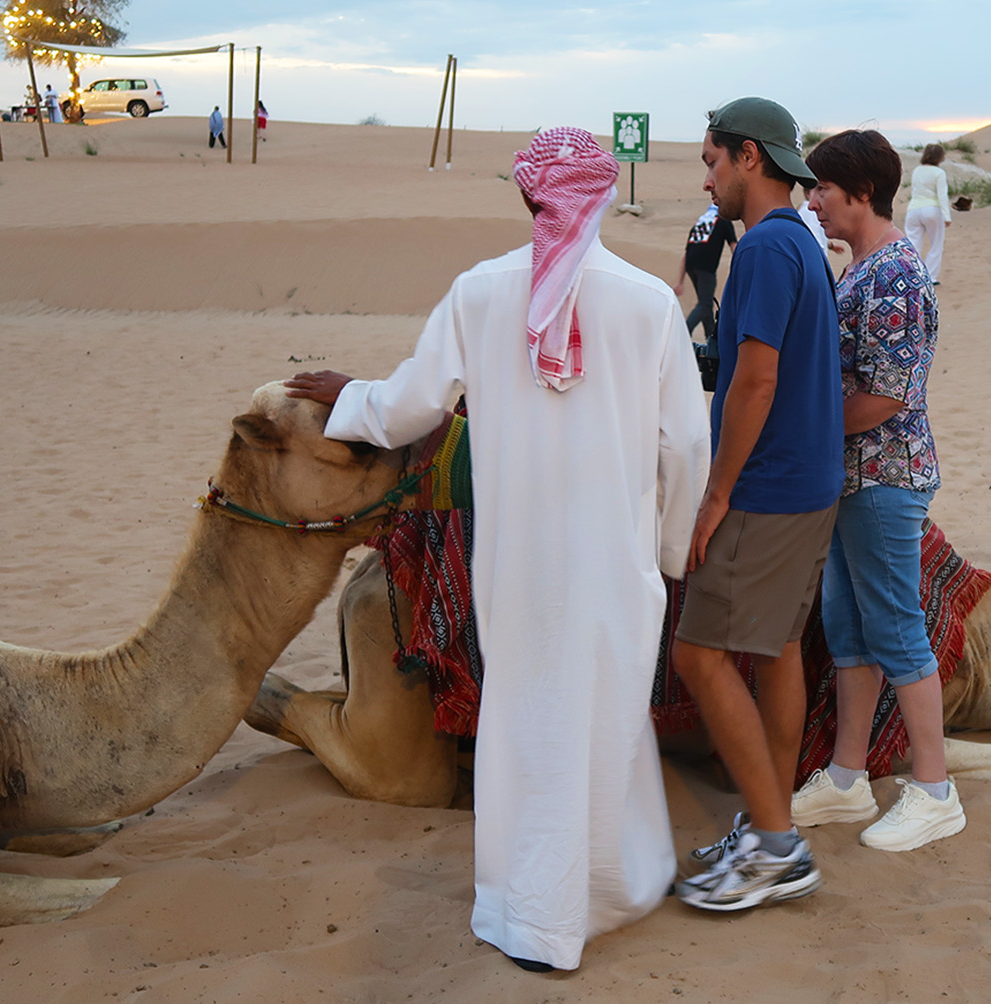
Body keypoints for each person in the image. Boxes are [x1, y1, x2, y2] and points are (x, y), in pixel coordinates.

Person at [284, 127, 709, 972]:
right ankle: (589, 901)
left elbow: (409, 408)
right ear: (601, 195)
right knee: (602, 720)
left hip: (516, 566)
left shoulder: (481, 292)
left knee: (527, 723)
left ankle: (537, 911)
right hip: (613, 567)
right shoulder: (648, 303)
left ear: (527, 197)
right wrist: (666, 552)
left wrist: (348, 398)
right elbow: (687, 447)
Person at [670, 97, 843, 912]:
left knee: (698, 655)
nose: (706, 180)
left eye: (711, 162)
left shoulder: (769, 250)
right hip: (803, 484)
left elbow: (756, 378)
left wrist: (716, 493)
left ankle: (777, 846)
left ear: (748, 157)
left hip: (768, 489)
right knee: (774, 651)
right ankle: (767, 820)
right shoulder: (800, 241)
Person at [793, 129, 965, 852]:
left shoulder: (894, 274)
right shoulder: (864, 267)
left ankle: (934, 790)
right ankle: (847, 777)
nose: (814, 203)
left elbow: (889, 397)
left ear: (861, 192)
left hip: (883, 476)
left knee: (895, 626)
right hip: (853, 478)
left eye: (823, 190)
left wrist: (807, 431)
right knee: (850, 626)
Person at [676, 204, 736, 341]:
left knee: (706, 304)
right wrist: (739, 266)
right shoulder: (724, 221)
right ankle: (683, 332)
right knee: (705, 304)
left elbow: (685, 255)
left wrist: (680, 282)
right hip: (706, 267)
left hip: (691, 266)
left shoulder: (698, 225)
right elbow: (734, 245)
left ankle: (712, 340)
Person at [902, 143, 952, 284]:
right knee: (936, 244)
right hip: (932, 209)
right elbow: (942, 196)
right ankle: (930, 277)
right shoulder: (939, 173)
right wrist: (946, 216)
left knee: (913, 244)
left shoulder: (917, 170)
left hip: (913, 209)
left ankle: (910, 275)